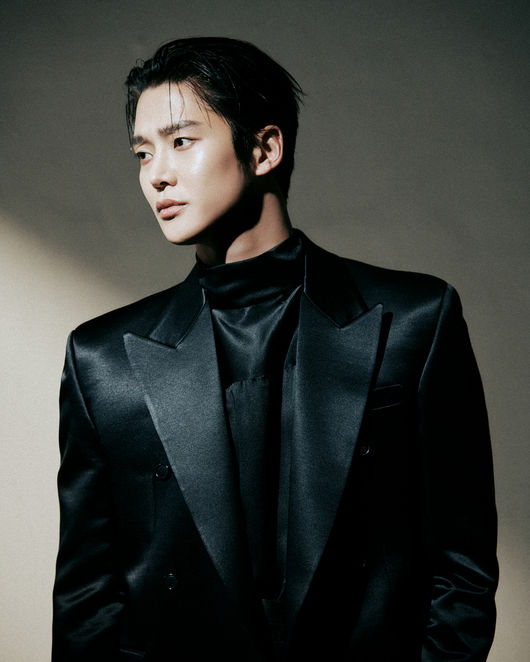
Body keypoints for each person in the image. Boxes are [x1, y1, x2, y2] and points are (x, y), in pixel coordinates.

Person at [52, 37, 498, 661]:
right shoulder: (103, 360)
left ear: (264, 149)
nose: (156, 175)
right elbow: (86, 601)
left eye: (181, 141)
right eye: (143, 152)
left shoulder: (414, 321)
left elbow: (462, 567)